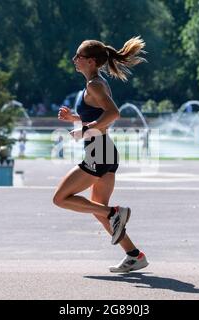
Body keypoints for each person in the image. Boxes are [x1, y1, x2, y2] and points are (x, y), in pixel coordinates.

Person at [53, 36, 149, 273]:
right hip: (105, 152)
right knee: (97, 209)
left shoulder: (95, 84)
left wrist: (84, 129)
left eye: (79, 57)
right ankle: (134, 255)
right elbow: (99, 113)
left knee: (61, 198)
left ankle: (115, 213)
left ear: (92, 61)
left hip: (98, 152)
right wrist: (74, 118)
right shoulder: (95, 83)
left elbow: (113, 114)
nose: (74, 59)